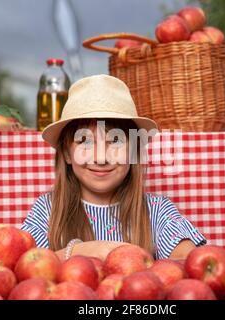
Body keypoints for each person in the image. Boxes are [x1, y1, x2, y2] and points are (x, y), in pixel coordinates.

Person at [21, 74, 206, 261]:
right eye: (85, 141)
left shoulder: (157, 211)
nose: (101, 158)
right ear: (67, 153)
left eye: (115, 141)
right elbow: (27, 263)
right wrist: (85, 251)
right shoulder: (47, 210)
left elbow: (188, 260)